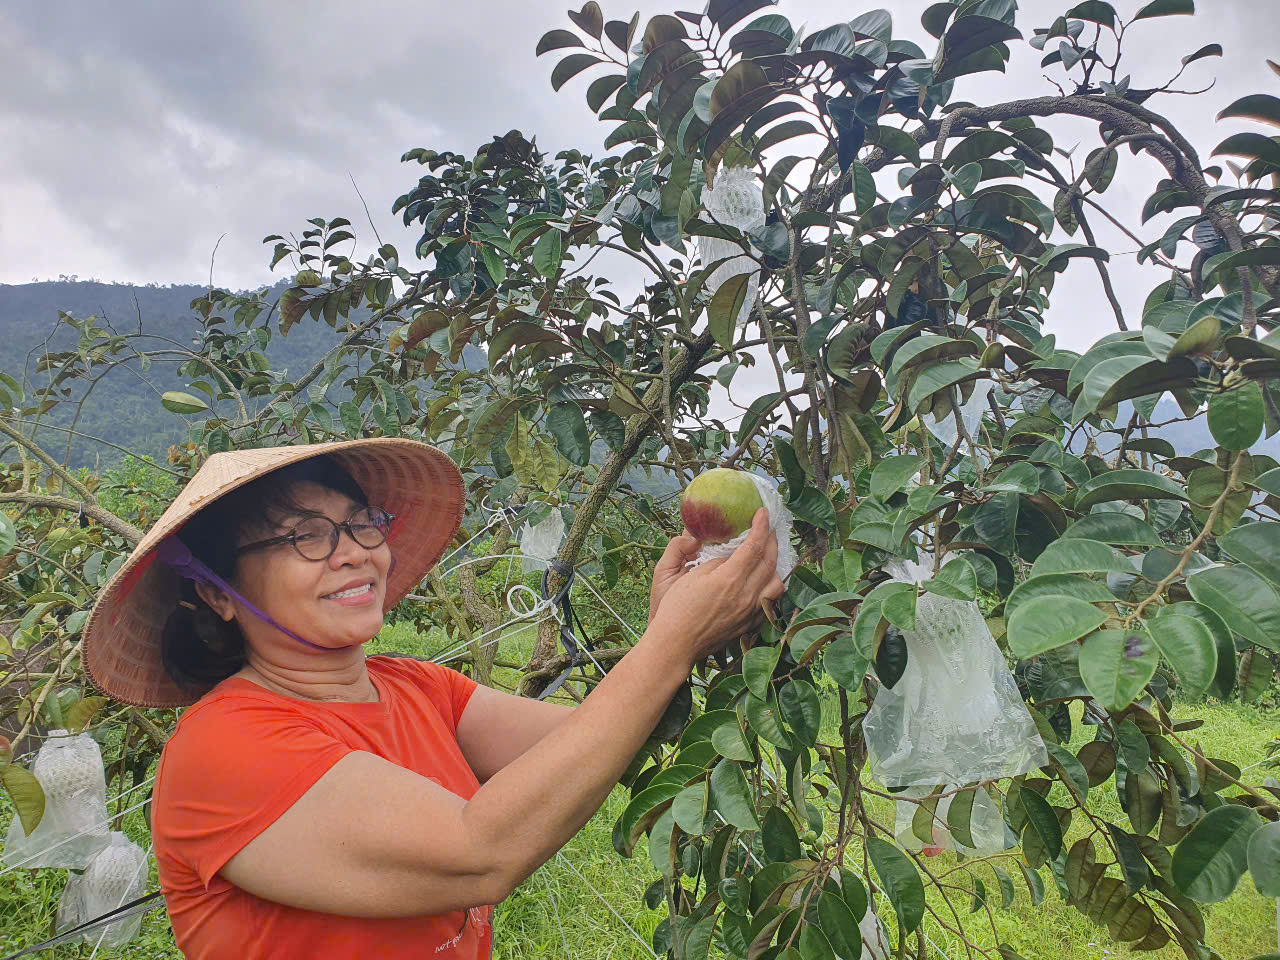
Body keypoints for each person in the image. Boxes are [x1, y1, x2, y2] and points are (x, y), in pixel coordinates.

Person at [81, 438, 786, 959]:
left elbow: (599, 743)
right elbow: (481, 851)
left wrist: (672, 632)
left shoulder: (414, 685)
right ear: (215, 592)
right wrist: (673, 640)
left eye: (360, 522)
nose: (354, 551)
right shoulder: (223, 747)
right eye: (304, 536)